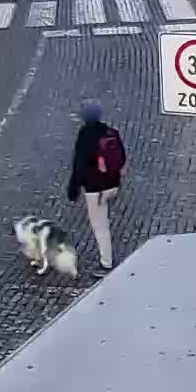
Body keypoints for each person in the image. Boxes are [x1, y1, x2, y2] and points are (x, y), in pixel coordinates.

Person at [66, 103, 126, 275]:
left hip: (95, 190)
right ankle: (107, 255)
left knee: (100, 227)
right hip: (113, 186)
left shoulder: (85, 136)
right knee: (104, 220)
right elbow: (121, 158)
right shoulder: (110, 132)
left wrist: (73, 189)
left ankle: (106, 263)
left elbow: (79, 166)